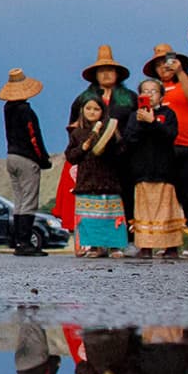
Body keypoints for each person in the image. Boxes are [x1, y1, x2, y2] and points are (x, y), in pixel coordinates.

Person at [145, 44, 188, 250]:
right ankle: (170, 243)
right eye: (159, 64)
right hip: (165, 148)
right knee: (169, 196)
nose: (164, 66)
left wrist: (180, 72)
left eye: (168, 61)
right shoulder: (155, 90)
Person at [127, 78, 188, 257]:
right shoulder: (134, 116)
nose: (149, 94)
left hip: (164, 170)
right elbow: (129, 139)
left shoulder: (168, 114)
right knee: (144, 210)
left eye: (153, 91)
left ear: (161, 96)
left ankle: (170, 247)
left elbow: (170, 135)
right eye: (145, 91)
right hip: (142, 171)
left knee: (166, 209)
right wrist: (142, 122)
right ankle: (145, 247)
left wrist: (153, 122)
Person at [66, 93, 130, 255]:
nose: (92, 112)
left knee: (110, 216)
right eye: (88, 108)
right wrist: (83, 148)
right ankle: (95, 247)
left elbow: (121, 151)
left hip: (108, 181)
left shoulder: (111, 130)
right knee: (90, 218)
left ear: (103, 111)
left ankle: (115, 246)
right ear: (82, 111)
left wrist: (110, 141)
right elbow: (71, 157)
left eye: (96, 109)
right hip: (87, 182)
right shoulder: (77, 133)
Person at [0, 68, 50, 256]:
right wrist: (43, 159)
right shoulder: (25, 110)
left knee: (19, 200)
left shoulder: (7, 109)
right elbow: (33, 137)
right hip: (26, 158)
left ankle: (18, 241)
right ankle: (25, 242)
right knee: (29, 200)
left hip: (11, 156)